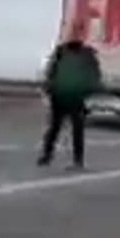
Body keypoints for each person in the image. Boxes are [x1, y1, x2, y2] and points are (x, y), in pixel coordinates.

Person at [37, 39, 101, 169]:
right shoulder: (76, 53)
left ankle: (51, 156)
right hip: (66, 97)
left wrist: (49, 88)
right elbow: (94, 76)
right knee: (64, 129)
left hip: (67, 96)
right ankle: (56, 157)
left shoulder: (68, 52)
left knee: (60, 129)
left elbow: (50, 72)